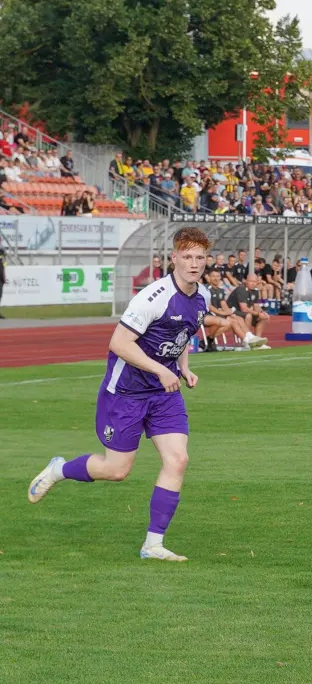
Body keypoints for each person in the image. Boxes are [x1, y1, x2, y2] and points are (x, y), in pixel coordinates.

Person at [27, 227, 215, 562]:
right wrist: (160, 369)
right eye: (187, 256)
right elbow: (118, 343)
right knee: (116, 470)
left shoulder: (203, 296)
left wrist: (182, 367)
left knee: (178, 460)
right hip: (126, 392)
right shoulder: (152, 298)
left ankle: (153, 544)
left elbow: (182, 334)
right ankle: (59, 469)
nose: (194, 263)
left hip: (164, 394)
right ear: (173, 258)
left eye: (200, 257)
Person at [227, 274, 271, 349]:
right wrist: (258, 314)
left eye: (255, 281)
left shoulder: (255, 291)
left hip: (243, 312)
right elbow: (243, 308)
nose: (253, 283)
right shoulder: (241, 289)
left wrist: (263, 313)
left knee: (262, 318)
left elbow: (256, 306)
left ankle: (257, 342)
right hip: (234, 311)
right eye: (251, 281)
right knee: (248, 315)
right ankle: (247, 341)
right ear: (246, 281)